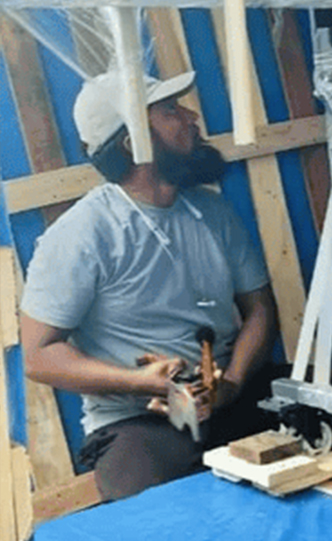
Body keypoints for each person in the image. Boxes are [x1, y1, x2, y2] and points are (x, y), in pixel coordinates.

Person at [20, 69, 279, 501]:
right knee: (153, 514)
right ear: (133, 141)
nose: (192, 117)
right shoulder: (81, 234)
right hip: (139, 420)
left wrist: (231, 383)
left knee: (322, 434)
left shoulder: (212, 211)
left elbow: (260, 308)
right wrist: (142, 381)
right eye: (171, 110)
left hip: (228, 397)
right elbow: (38, 356)